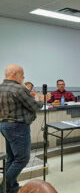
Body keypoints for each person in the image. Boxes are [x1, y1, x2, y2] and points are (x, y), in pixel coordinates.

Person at [0, 64, 45, 193]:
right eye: (22, 74)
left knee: (12, 158)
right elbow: (34, 106)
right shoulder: (19, 89)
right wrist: (41, 100)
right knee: (22, 158)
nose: (24, 76)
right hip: (17, 127)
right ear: (15, 74)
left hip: (4, 125)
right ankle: (4, 187)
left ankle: (11, 188)